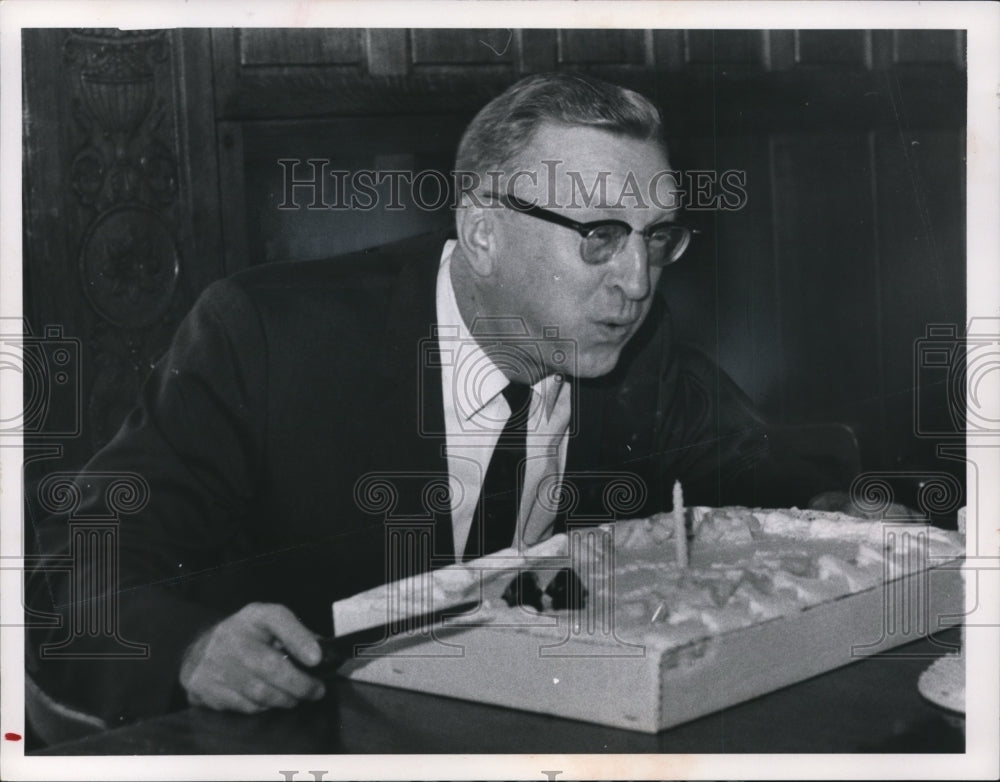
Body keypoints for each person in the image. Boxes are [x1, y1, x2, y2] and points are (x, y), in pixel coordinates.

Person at [26, 72, 843, 729]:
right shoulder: (266, 335)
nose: (636, 282)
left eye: (657, 237)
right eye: (599, 236)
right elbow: (83, 561)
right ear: (483, 233)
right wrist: (191, 646)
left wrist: (848, 507)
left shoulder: (632, 340)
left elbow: (758, 477)